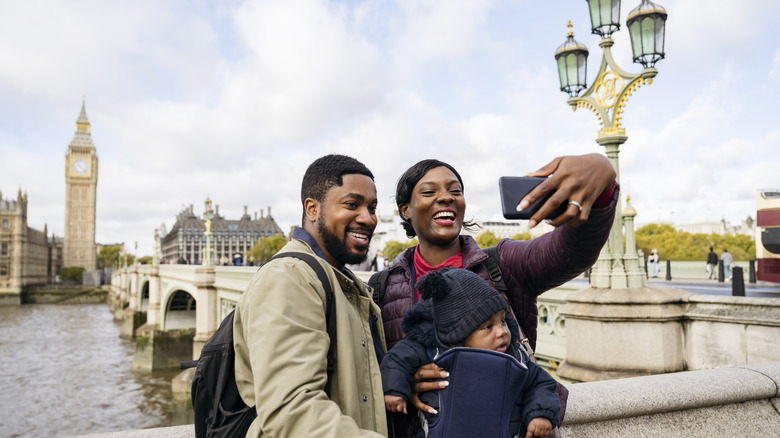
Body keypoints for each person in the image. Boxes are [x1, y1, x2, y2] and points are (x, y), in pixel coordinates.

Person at [378, 153, 618, 436]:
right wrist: (404, 382)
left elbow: (573, 252)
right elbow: (369, 375)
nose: (446, 197)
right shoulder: (382, 287)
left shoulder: (503, 264)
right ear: (405, 210)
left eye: (455, 190)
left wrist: (603, 181)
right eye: (429, 192)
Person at [233, 154, 388, 437]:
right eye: (352, 204)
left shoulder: (342, 281)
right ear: (312, 208)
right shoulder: (288, 278)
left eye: (372, 207)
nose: (368, 218)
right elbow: (292, 410)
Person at [381, 268, 560, 438]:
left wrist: (540, 414)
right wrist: (394, 391)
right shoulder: (434, 351)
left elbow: (542, 383)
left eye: (503, 321)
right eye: (488, 326)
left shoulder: (515, 357)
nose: (502, 332)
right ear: (458, 335)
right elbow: (396, 360)